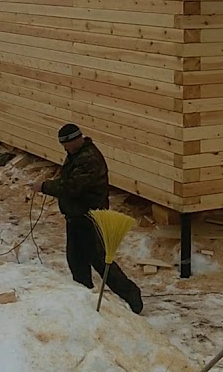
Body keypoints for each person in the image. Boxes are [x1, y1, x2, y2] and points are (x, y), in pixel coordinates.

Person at [33, 123, 143, 313]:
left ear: (74, 141)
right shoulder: (76, 154)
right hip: (76, 217)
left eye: (65, 145)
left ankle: (132, 297)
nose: (64, 149)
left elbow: (71, 187)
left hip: (89, 218)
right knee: (76, 261)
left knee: (99, 260)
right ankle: (84, 298)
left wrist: (44, 186)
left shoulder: (89, 159)